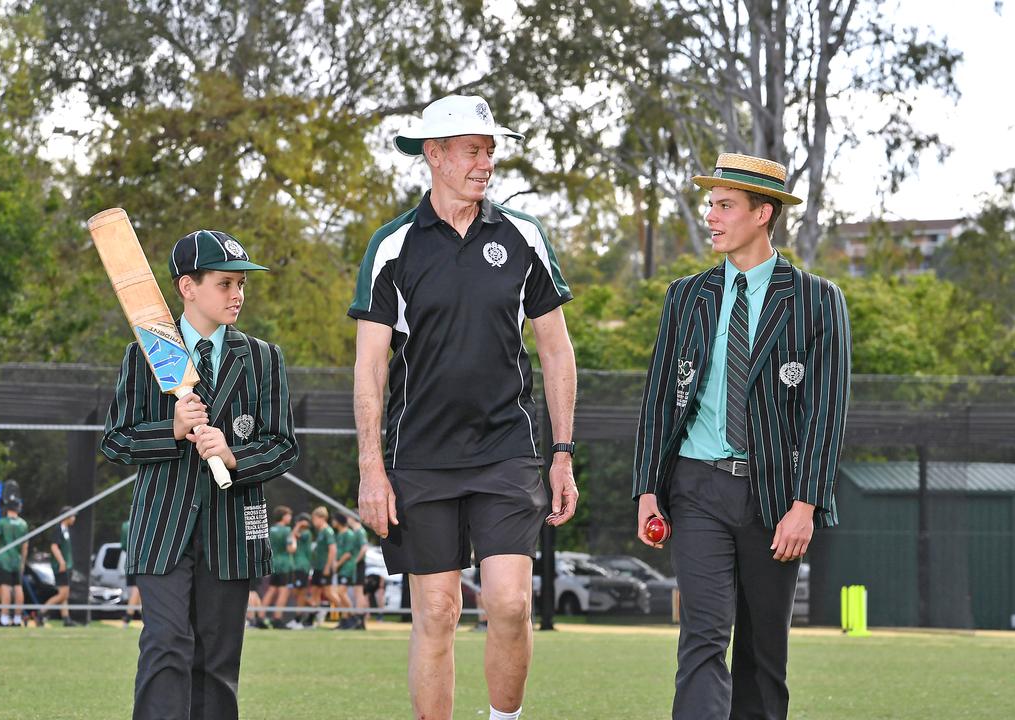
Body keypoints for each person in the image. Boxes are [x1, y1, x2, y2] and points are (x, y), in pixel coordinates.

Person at [350, 94, 580, 720]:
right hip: (418, 457)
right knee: (437, 612)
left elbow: (557, 353)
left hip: (506, 449)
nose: (486, 162)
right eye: (474, 150)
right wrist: (372, 470)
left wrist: (562, 453)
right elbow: (370, 367)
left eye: (490, 150)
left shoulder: (524, 236)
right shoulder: (392, 246)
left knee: (508, 602)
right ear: (435, 155)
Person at [632, 153, 852, 720]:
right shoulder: (686, 296)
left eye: (724, 205)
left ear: (762, 213)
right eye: (711, 204)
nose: (711, 216)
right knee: (702, 637)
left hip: (774, 496)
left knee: (762, 653)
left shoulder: (817, 301)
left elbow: (824, 415)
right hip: (696, 486)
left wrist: (806, 505)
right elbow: (659, 399)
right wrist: (647, 491)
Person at [100, 229, 298, 720]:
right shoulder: (144, 354)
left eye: (241, 285)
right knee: (166, 647)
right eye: (225, 284)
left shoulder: (263, 359)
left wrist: (234, 456)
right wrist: (170, 429)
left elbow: (283, 446)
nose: (238, 295)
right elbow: (116, 440)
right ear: (188, 286)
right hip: (162, 530)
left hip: (233, 531)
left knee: (216, 662)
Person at [0, 498, 29, 627]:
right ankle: (18, 618)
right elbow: (25, 545)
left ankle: (4, 617)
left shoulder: (1, 523)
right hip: (17, 560)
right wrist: (23, 561)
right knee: (18, 588)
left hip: (4, 559)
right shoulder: (23, 524)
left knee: (5, 588)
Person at [260, 506, 295, 629]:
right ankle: (277, 618)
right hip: (285, 565)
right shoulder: (287, 530)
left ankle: (260, 617)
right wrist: (294, 540)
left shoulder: (271, 529)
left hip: (274, 563)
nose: (290, 517)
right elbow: (291, 548)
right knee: (283, 592)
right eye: (288, 515)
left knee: (271, 591)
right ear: (283, 516)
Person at [42, 508, 77, 627]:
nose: (74, 518)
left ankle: (66, 619)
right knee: (62, 594)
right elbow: (54, 547)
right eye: (72, 516)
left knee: (65, 594)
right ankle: (40, 613)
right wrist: (62, 562)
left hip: (67, 566)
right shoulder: (58, 529)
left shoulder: (66, 530)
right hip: (60, 566)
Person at [332, 513, 363, 630]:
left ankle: (354, 618)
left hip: (347, 567)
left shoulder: (349, 534)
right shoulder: (340, 534)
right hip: (341, 568)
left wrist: (337, 564)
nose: (332, 522)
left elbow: (348, 553)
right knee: (340, 593)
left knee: (341, 593)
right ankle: (345, 620)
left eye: (334, 519)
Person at [308, 506, 337, 624]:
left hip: (325, 567)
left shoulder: (327, 531)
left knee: (328, 593)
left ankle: (348, 614)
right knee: (314, 592)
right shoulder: (320, 532)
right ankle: (312, 619)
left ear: (322, 518)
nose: (313, 522)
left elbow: (333, 549)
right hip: (317, 567)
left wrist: (327, 567)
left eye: (314, 519)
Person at [286, 512, 313, 629]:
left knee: (299, 594)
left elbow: (292, 536)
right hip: (298, 567)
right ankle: (314, 609)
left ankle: (299, 620)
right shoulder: (302, 533)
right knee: (297, 594)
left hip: (302, 567)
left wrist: (298, 526)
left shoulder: (306, 533)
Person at [120, 518, 142, 628]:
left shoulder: (125, 525)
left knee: (138, 591)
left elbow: (123, 545)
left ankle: (146, 618)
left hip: (129, 560)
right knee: (137, 589)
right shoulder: (142, 522)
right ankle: (127, 617)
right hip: (139, 560)